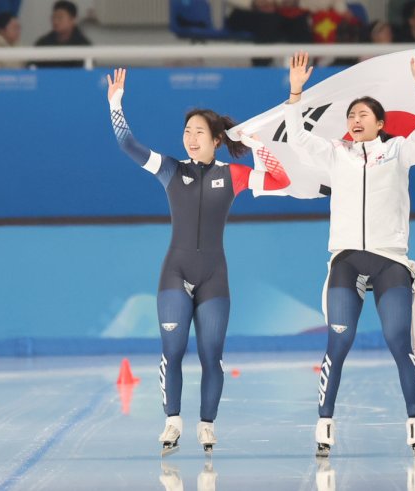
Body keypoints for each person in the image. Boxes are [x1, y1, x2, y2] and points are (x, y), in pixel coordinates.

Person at [105, 68, 291, 456]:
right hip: (175, 273)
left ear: (216, 140)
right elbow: (128, 145)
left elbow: (280, 179)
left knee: (212, 356)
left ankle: (207, 425)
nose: (190, 139)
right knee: (172, 351)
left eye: (199, 133)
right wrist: (115, 104)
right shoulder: (170, 169)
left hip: (214, 278)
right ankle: (172, 420)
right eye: (187, 132)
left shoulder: (235, 175)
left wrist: (255, 145)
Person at [285, 47, 415, 457]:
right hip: (347, 260)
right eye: (351, 116)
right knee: (339, 340)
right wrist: (296, 94)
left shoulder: (399, 151)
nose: (355, 121)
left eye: (363, 115)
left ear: (380, 124)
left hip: (390, 261)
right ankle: (324, 423)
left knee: (396, 340)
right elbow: (298, 139)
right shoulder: (336, 155)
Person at [33, 1, 91, 68]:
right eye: (54, 17)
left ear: (73, 20)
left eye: (60, 17)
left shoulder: (83, 45)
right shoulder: (42, 43)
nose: (55, 21)